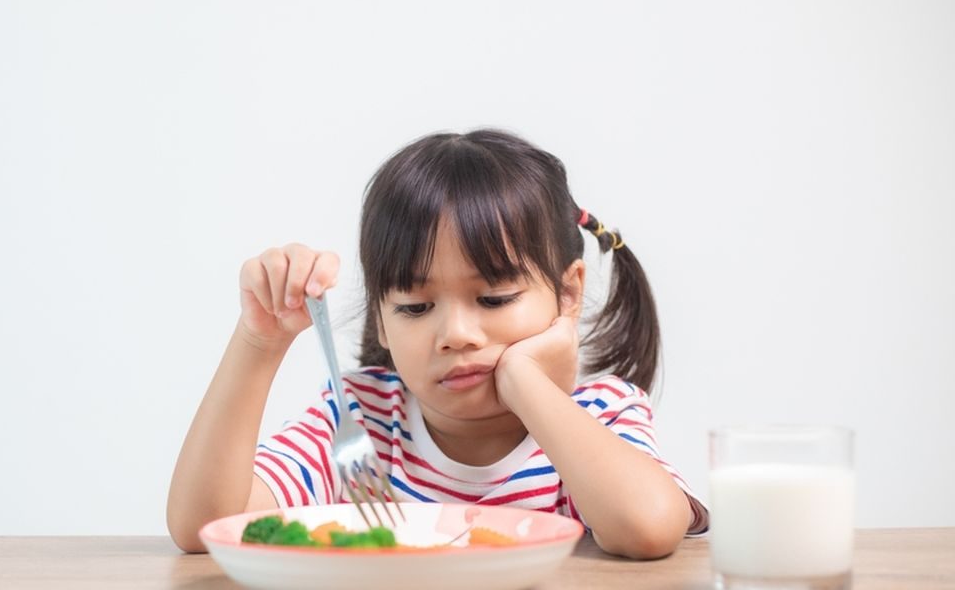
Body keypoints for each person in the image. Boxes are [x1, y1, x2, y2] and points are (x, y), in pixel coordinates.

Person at [167, 129, 709, 558]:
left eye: (494, 299)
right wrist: (259, 343)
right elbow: (207, 526)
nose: (455, 335)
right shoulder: (361, 419)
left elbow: (650, 529)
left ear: (568, 292)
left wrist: (526, 384)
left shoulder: (602, 416)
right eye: (415, 308)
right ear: (381, 319)